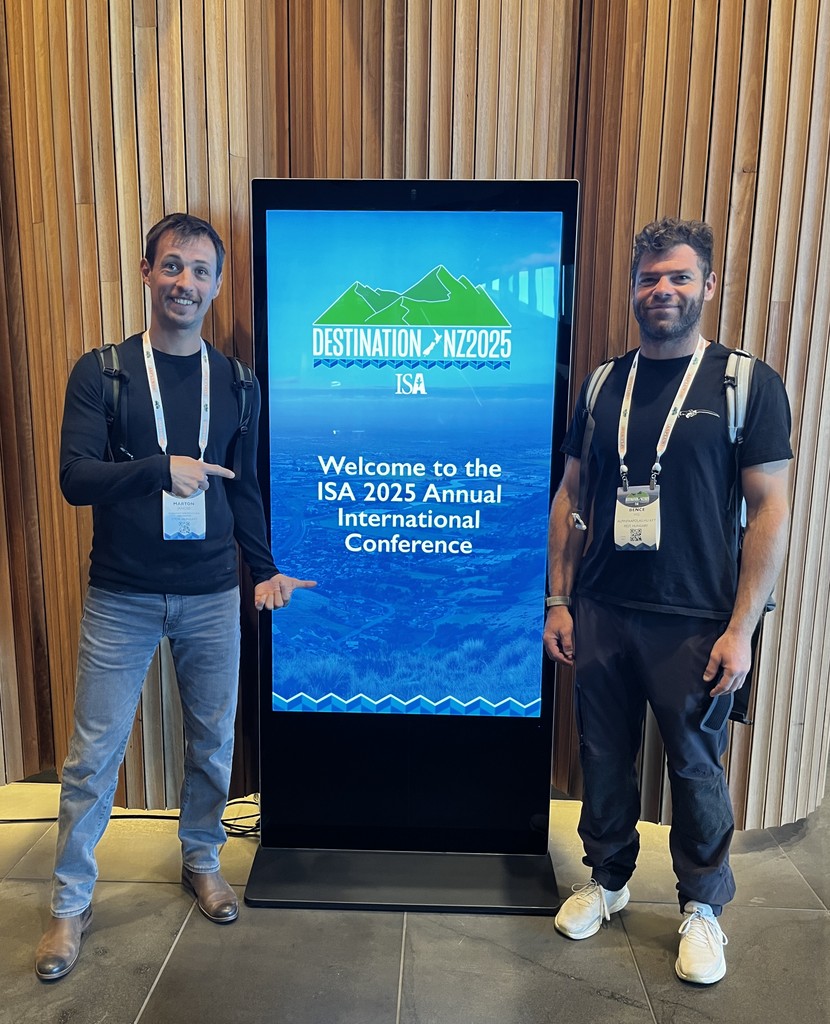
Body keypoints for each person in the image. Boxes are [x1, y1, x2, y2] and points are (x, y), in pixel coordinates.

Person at [35, 213, 316, 981]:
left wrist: (264, 568)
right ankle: (69, 904)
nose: (184, 282)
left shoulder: (238, 383)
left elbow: (244, 486)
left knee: (213, 742)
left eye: (199, 271)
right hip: (121, 594)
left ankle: (202, 859)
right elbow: (74, 478)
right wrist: (161, 468)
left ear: (216, 285)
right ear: (146, 271)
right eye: (171, 266)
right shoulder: (103, 372)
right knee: (93, 757)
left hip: (212, 594)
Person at [543, 218, 792, 985]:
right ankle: (608, 879)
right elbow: (572, 494)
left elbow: (771, 509)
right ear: (633, 289)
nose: (663, 290)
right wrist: (559, 599)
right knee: (603, 755)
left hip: (696, 618)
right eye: (649, 278)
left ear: (708, 286)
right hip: (602, 607)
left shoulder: (744, 384)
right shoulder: (601, 384)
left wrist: (742, 628)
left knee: (695, 766)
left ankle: (703, 906)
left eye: (680, 277)